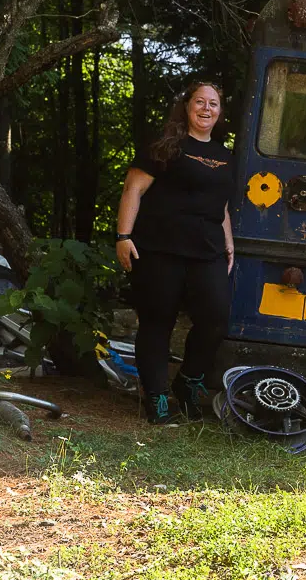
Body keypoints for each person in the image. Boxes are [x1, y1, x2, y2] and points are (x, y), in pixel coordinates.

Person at [115, 81, 235, 423]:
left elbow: (221, 206)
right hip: (159, 249)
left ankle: (188, 382)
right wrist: (124, 236)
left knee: (215, 318)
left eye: (213, 103)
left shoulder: (225, 157)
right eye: (200, 102)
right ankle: (156, 397)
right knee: (157, 321)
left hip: (208, 251)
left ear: (220, 112)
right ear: (187, 107)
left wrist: (229, 241)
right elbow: (132, 190)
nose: (206, 108)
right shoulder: (165, 147)